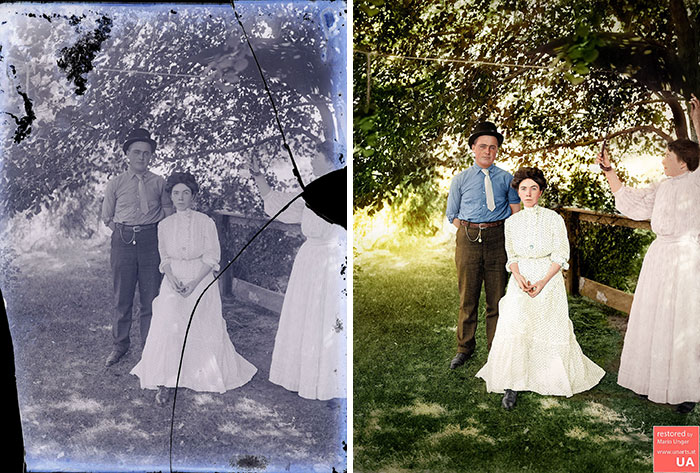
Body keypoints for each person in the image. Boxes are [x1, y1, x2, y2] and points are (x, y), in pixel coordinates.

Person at [595, 94, 700, 414]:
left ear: (683, 161)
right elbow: (631, 201)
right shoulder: (661, 186)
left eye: (667, 155)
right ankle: (649, 381)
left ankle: (685, 390)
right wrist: (609, 170)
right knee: (654, 319)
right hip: (658, 261)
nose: (662, 160)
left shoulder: (697, 183)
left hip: (687, 260)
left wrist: (698, 122)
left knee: (683, 322)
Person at [476, 167, 605, 409]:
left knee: (547, 325)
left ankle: (549, 376)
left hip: (548, 279)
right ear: (518, 192)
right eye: (523, 188)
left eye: (533, 188)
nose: (528, 193)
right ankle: (512, 384)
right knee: (516, 322)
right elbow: (511, 255)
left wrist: (543, 282)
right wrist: (518, 276)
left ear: (540, 192)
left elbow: (560, 254)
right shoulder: (512, 222)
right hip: (521, 280)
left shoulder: (554, 219)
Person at [130, 172, 257, 405]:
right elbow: (165, 258)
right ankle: (165, 379)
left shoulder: (205, 222)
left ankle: (203, 373)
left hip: (201, 278)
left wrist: (193, 283)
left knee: (201, 323)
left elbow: (211, 257)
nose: (180, 198)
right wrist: (172, 279)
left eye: (185, 193)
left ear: (193, 196)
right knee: (168, 322)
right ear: (171, 196)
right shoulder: (164, 225)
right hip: (173, 279)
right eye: (176, 193)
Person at [249, 143, 347, 401]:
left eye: (316, 155)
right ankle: (299, 376)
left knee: (327, 317)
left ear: (330, 159)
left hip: (333, 259)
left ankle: (327, 381)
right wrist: (259, 177)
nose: (311, 159)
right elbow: (280, 205)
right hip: (309, 260)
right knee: (304, 316)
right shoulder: (312, 192)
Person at [445, 122, 521, 369]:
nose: (488, 151)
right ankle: (464, 348)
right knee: (467, 296)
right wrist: (472, 229)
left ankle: (496, 349)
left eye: (493, 147)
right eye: (482, 146)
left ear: (497, 150)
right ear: (473, 149)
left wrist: (496, 232)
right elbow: (452, 214)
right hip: (468, 238)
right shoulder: (461, 179)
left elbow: (515, 212)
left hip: (498, 239)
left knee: (497, 298)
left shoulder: (506, 178)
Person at [102, 128, 174, 367]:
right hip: (122, 240)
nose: (142, 157)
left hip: (150, 242)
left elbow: (167, 212)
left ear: (151, 156)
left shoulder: (159, 182)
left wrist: (152, 235)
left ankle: (149, 348)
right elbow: (107, 217)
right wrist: (125, 232)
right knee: (122, 297)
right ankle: (120, 346)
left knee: (150, 297)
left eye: (146, 153)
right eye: (137, 152)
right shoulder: (116, 183)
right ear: (127, 155)